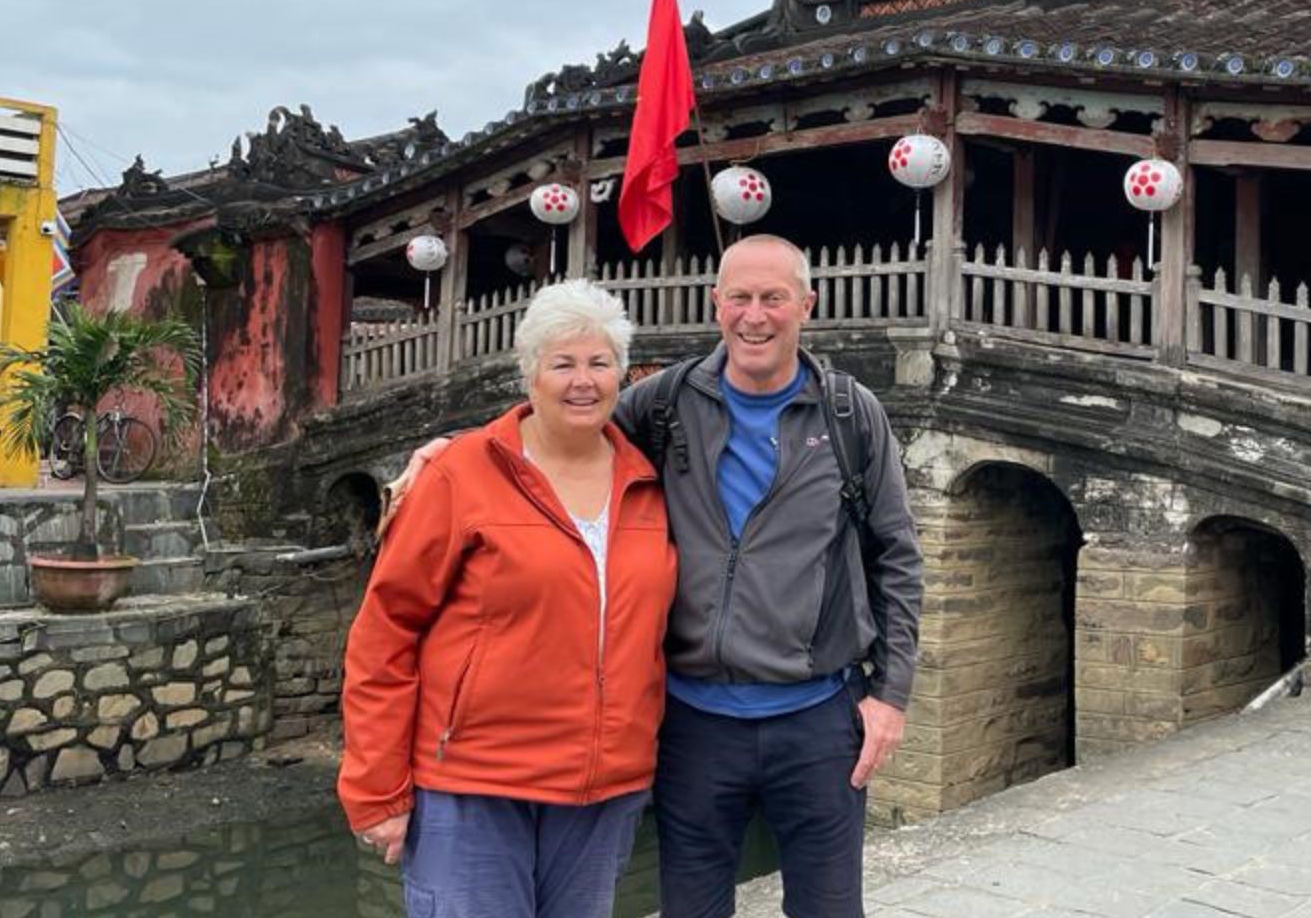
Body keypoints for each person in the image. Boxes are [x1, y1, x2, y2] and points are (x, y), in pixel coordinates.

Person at [390, 234, 923, 918]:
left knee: (828, 908)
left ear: (806, 306)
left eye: (773, 298)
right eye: (739, 297)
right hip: (693, 721)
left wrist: (891, 694)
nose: (754, 316)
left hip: (818, 717)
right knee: (692, 907)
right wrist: (460, 448)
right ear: (716, 304)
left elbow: (897, 556)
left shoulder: (850, 416)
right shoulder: (667, 404)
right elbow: (565, 417)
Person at [339, 279, 677, 918]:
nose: (584, 380)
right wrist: (378, 790)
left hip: (601, 790)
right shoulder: (459, 474)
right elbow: (386, 634)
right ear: (529, 374)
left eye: (600, 362)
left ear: (622, 374)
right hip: (476, 783)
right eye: (563, 363)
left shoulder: (650, 483)